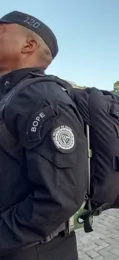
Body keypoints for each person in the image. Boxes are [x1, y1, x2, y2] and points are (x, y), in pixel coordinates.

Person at [0, 11, 88, 260]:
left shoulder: (41, 99)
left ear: (29, 45)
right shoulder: (12, 96)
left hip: (33, 251)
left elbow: (60, 197)